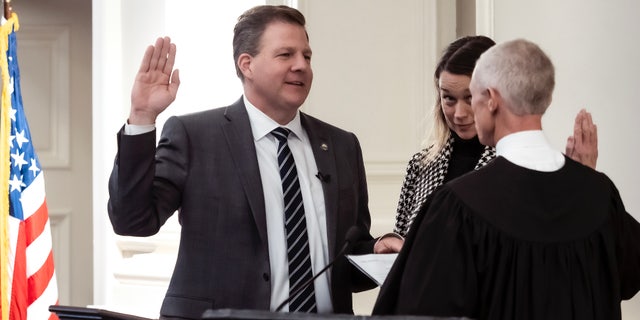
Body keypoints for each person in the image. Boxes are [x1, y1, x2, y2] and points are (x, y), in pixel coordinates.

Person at [107, 5, 376, 319]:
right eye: (285, 55)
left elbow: (350, 261)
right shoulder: (194, 136)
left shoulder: (342, 146)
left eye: (307, 56)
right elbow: (132, 221)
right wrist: (142, 117)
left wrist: (381, 252)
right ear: (247, 64)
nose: (301, 66)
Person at [372, 38, 640, 319]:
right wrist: (584, 182)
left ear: (491, 100)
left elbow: (420, 309)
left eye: (472, 96)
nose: (464, 111)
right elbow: (625, 275)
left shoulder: (457, 205)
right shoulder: (599, 193)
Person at [373, 35, 598, 254]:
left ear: (493, 97)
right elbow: (402, 248)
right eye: (448, 98)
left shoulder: (524, 165)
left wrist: (582, 182)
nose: (459, 113)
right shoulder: (420, 166)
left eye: (469, 98)